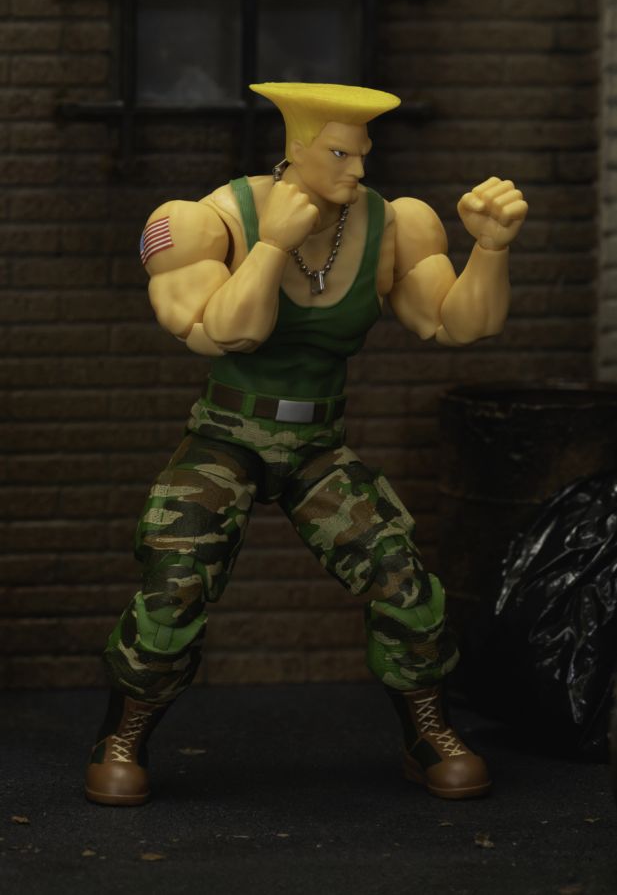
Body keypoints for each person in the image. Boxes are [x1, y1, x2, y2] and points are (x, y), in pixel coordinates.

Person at [85, 82, 528, 806]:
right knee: (175, 584)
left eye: (363, 153)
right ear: (295, 149)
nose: (359, 168)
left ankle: (427, 732)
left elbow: (456, 325)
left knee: (401, 577)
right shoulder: (205, 221)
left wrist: (490, 248)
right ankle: (122, 735)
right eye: (341, 154)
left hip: (317, 443)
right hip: (225, 437)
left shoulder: (395, 223)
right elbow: (225, 333)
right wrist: (270, 245)